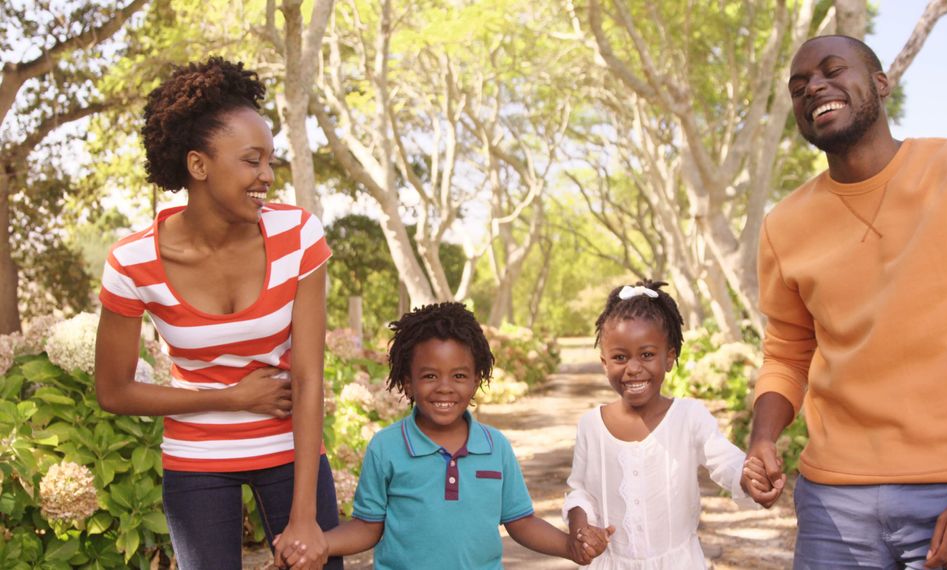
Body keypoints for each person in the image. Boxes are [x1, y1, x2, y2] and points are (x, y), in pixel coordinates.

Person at [741, 35, 947, 569]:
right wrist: (762, 438)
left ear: (881, 83)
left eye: (831, 70)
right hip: (832, 510)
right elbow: (787, 354)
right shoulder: (784, 226)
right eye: (798, 86)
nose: (813, 86)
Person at [94, 58, 341, 569]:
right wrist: (231, 398)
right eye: (252, 161)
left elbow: (308, 376)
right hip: (197, 458)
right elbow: (113, 391)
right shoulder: (133, 263)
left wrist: (303, 518)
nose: (267, 177)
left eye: (270, 162)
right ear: (198, 165)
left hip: (289, 452)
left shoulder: (298, 236)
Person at [277, 302, 607, 569]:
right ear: (407, 382)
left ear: (477, 379)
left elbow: (521, 522)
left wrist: (568, 547)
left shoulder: (495, 447)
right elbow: (367, 527)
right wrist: (319, 543)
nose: (445, 387)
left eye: (459, 375)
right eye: (430, 375)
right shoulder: (387, 447)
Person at [562, 281, 777, 569]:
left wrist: (749, 477)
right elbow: (580, 491)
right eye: (620, 357)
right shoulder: (591, 426)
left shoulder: (689, 417)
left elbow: (725, 461)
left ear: (670, 356)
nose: (633, 367)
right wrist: (582, 528)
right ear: (604, 362)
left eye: (647, 354)